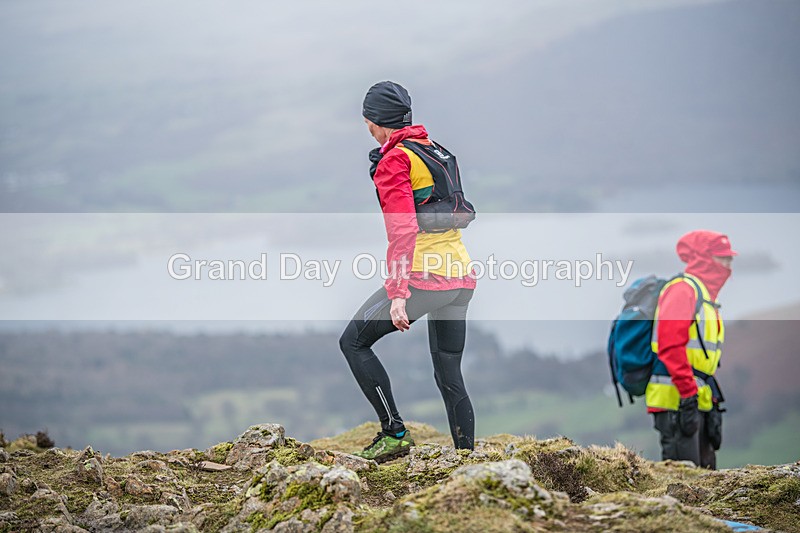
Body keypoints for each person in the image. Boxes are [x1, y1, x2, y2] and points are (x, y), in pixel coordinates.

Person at [339, 81, 477, 463]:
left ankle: (394, 432)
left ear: (372, 121)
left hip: (423, 277)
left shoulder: (395, 160)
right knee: (449, 373)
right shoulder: (433, 150)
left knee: (352, 342)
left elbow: (401, 229)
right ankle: (465, 460)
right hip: (461, 277)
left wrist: (398, 293)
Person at [647, 230, 735, 469]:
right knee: (684, 483)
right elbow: (669, 345)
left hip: (697, 400)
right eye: (722, 258)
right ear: (704, 258)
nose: (728, 264)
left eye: (730, 258)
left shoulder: (704, 296)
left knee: (705, 482)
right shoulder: (683, 291)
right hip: (677, 400)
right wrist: (687, 393)